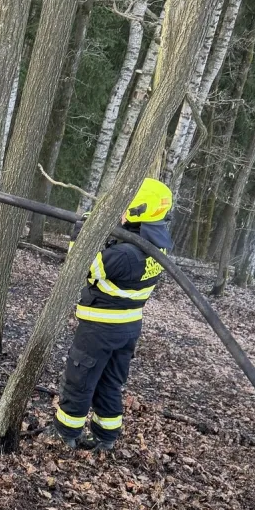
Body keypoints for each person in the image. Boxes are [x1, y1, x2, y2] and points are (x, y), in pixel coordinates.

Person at [53, 178, 174, 452]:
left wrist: (82, 232)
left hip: (101, 327)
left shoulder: (125, 254)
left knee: (80, 380)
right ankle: (105, 437)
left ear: (138, 211)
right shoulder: (158, 245)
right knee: (109, 383)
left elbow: (81, 267)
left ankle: (64, 434)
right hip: (128, 327)